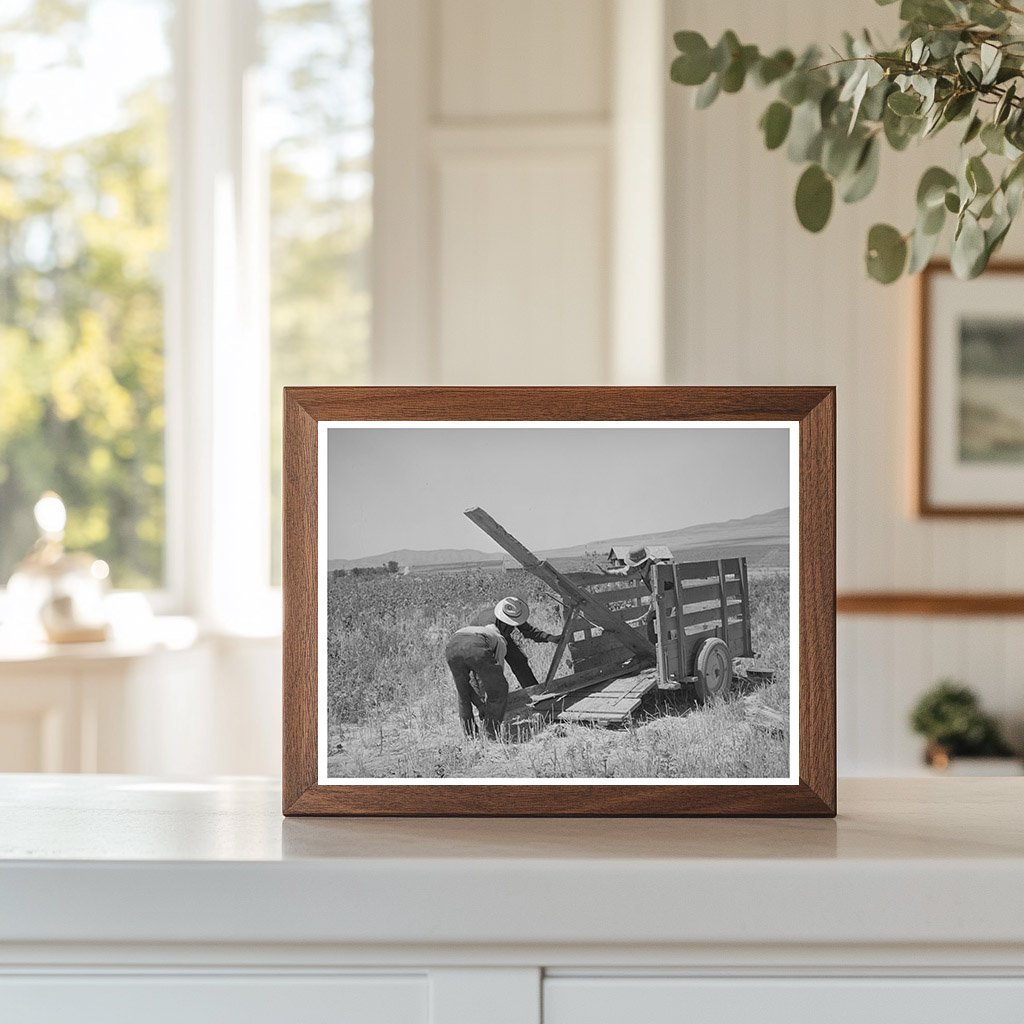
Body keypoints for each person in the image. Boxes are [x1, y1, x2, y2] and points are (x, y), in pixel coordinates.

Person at [444, 596, 561, 739]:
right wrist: (483, 702)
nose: (513, 627)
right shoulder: (490, 628)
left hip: (455, 646)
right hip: (480, 644)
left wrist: (550, 638)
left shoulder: (511, 613)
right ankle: (490, 731)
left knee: (518, 661)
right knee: (497, 689)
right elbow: (486, 671)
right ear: (502, 619)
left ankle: (537, 698)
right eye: (510, 625)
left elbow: (528, 631)